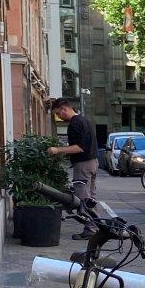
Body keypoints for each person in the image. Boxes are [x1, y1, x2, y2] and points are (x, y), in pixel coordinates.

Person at [47, 98, 99, 237]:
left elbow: (79, 148)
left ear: (64, 109)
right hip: (93, 162)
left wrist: (57, 150)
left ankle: (91, 229)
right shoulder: (85, 120)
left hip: (83, 165)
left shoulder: (74, 124)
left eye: (58, 113)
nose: (58, 117)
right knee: (91, 198)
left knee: (83, 198)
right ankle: (96, 226)